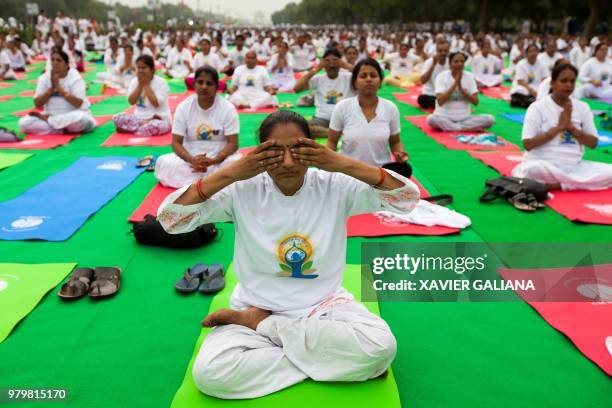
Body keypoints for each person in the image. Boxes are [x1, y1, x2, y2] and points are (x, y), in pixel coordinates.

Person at [157, 110, 420, 399]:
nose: (287, 162)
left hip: (323, 307)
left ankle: (266, 326)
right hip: (256, 302)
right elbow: (170, 220)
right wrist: (233, 171)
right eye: (274, 153)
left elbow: (407, 199)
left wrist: (340, 163)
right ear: (257, 154)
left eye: (297, 150)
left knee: (381, 346)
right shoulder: (242, 188)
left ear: (312, 149)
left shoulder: (334, 185)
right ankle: (340, 362)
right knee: (211, 374)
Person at [512, 64, 612, 190]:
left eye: (572, 81)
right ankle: (572, 184)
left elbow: (593, 143)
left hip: (574, 166)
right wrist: (559, 127)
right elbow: (528, 144)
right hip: (544, 164)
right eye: (564, 81)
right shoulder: (537, 107)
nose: (569, 85)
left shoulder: (582, 107)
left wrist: (573, 129)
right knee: (531, 170)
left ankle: (558, 185)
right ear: (553, 83)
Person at [155, 66, 239, 188]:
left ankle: (203, 182)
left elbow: (233, 143)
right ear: (194, 85)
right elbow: (176, 142)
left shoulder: (228, 108)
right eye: (200, 82)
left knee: (235, 164)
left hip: (219, 158)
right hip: (190, 157)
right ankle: (213, 183)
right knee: (163, 163)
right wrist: (191, 160)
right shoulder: (183, 107)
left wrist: (213, 161)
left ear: (216, 87)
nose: (204, 86)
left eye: (209, 83)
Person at [328, 58, 408, 169]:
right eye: (363, 76)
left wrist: (399, 152)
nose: (369, 79)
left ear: (380, 81)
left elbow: (395, 142)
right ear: (355, 82)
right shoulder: (342, 107)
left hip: (381, 173)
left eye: (373, 75)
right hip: (349, 171)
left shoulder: (390, 108)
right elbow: (332, 141)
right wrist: (327, 164)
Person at [18, 48, 96, 135]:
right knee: (23, 123)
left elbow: (78, 103)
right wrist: (51, 89)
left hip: (72, 114)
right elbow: (37, 104)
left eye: (59, 60)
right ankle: (60, 129)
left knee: (82, 119)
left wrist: (59, 88)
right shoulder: (45, 78)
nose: (55, 63)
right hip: (52, 113)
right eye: (53, 60)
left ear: (66, 64)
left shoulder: (75, 77)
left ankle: (51, 123)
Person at [426, 52, 495, 132]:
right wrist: (455, 84)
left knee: (489, 119)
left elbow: (476, 102)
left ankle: (454, 127)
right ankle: (463, 128)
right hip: (444, 116)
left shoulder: (469, 77)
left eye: (462, 61)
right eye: (456, 61)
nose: (459, 64)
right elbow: (440, 101)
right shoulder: (441, 76)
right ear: (450, 63)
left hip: (464, 118)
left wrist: (462, 89)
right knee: (431, 119)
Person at [294, 49, 354, 138]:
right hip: (321, 119)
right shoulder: (318, 79)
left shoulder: (349, 77)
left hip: (344, 119)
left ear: (340, 62)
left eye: (335, 60)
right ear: (323, 64)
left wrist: (345, 65)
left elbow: (363, 73)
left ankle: (327, 133)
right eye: (327, 61)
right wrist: (316, 69)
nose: (331, 64)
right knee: (300, 128)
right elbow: (297, 88)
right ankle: (337, 133)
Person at [112, 55, 171, 137]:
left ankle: (132, 129)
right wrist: (140, 85)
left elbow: (156, 103)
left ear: (152, 69)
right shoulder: (134, 81)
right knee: (117, 118)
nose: (140, 70)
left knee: (156, 126)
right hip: (138, 118)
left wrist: (146, 85)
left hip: (158, 118)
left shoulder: (161, 82)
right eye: (138, 68)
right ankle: (139, 128)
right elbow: (131, 101)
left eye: (144, 68)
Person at [418, 41, 450, 110]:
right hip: (430, 93)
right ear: (437, 51)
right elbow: (422, 81)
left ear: (448, 51)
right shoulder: (429, 62)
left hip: (445, 94)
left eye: (445, 51)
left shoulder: (451, 62)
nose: (443, 53)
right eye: (440, 51)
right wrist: (433, 65)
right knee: (422, 99)